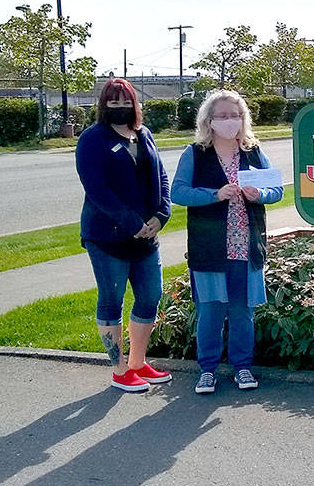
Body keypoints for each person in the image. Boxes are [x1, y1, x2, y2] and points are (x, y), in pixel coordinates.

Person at [171, 90, 285, 395]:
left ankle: (242, 366)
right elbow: (178, 193)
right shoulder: (194, 153)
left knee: (242, 311)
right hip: (210, 247)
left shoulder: (254, 152)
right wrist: (214, 195)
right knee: (210, 310)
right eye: (222, 116)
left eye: (235, 115)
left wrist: (260, 195)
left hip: (245, 248)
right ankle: (207, 370)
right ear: (209, 121)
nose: (229, 121)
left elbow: (276, 189)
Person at [75, 78, 171, 393]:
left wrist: (161, 215)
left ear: (135, 104)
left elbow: (161, 177)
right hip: (108, 238)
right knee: (112, 299)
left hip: (146, 236)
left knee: (149, 296)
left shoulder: (144, 135)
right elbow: (98, 190)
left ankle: (138, 363)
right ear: (103, 105)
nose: (120, 107)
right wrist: (132, 222)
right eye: (113, 102)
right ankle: (119, 371)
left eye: (125, 101)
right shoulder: (93, 139)